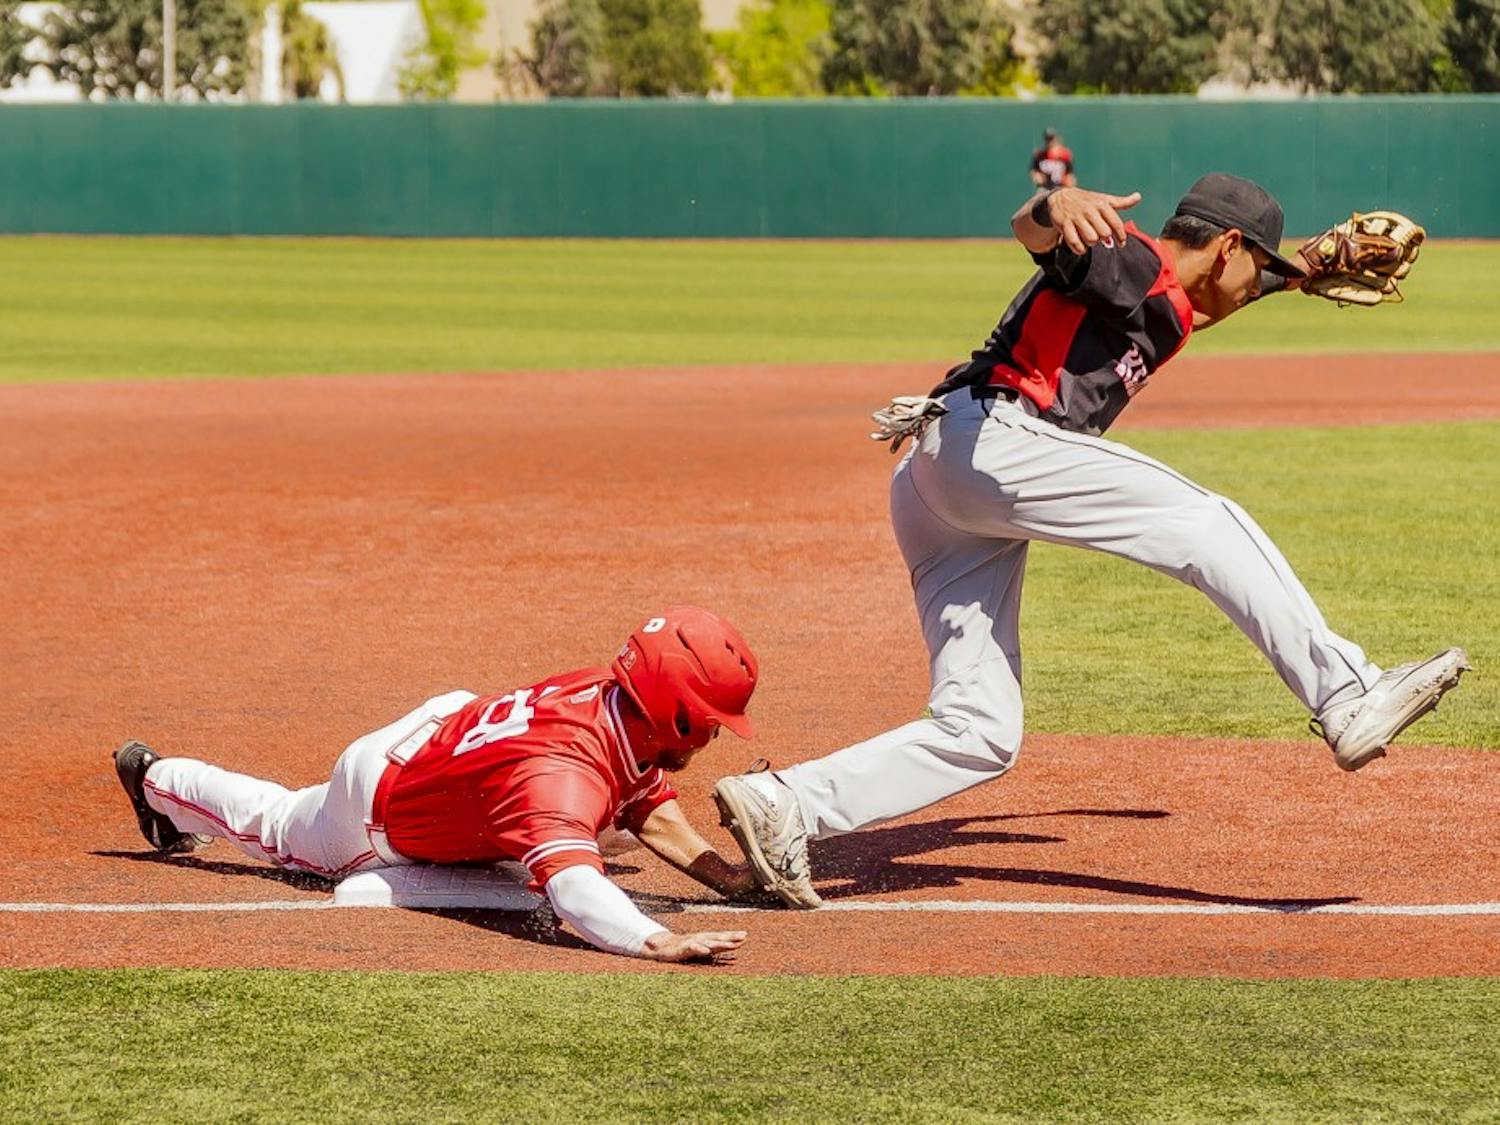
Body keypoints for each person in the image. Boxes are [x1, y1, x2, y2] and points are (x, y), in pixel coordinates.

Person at [713, 173, 1469, 909]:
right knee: (1205, 521)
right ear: (1229, 244)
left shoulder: (1169, 306)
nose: (1255, 284)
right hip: (994, 441)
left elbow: (1199, 304)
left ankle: (786, 804)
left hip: (942, 480)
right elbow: (1038, 234)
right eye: (1257, 266)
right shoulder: (1128, 258)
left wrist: (1299, 273)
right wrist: (1054, 204)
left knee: (980, 730)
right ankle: (1346, 692)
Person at [112, 605, 765, 962]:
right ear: (672, 711)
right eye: (710, 721)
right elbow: (574, 891)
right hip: (375, 811)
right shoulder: (561, 778)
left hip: (448, 737)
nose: (712, 735)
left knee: (589, 832)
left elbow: (643, 803)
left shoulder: (611, 695)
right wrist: (660, 939)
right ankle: (154, 780)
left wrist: (730, 877)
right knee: (277, 826)